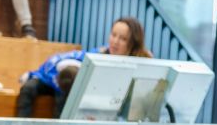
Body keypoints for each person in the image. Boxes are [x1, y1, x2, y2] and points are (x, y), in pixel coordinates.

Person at [16, 16, 151, 118]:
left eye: (123, 39)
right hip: (57, 83)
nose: (115, 41)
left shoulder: (137, 67)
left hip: (97, 113)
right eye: (113, 35)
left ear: (133, 43)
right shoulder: (98, 54)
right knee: (30, 87)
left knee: (68, 84)